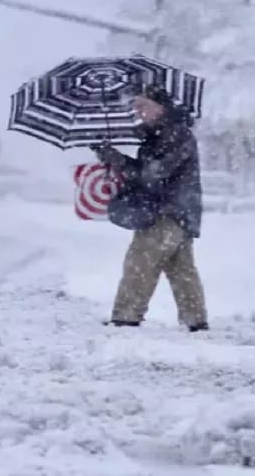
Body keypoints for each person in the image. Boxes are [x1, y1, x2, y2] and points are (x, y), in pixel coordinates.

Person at [93, 84, 208, 332]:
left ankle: (125, 317)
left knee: (139, 261)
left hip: (165, 212)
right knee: (181, 270)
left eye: (144, 106)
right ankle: (195, 321)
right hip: (180, 212)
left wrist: (117, 159)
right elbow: (150, 171)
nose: (139, 111)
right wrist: (110, 155)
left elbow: (153, 175)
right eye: (136, 106)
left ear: (161, 107)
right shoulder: (162, 135)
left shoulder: (174, 135)